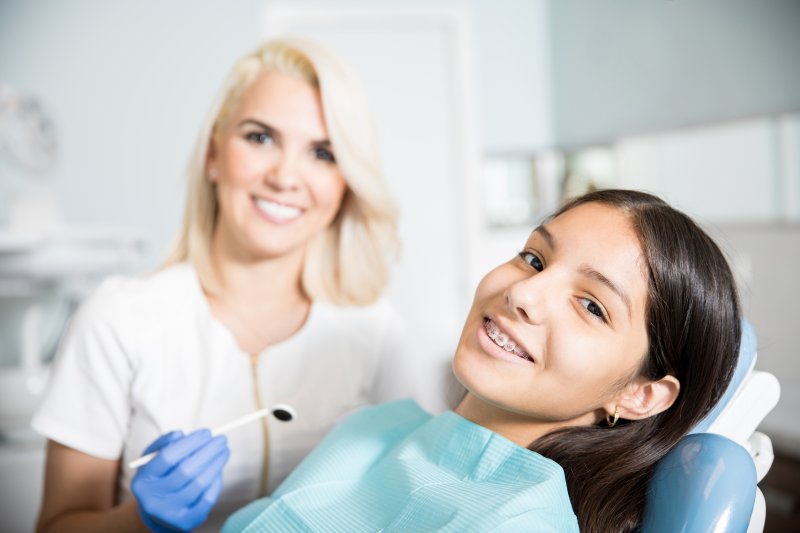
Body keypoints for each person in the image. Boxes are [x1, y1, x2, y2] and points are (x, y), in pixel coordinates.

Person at [33, 38, 420, 532]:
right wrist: (138, 520)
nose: (285, 176)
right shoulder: (117, 320)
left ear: (345, 184)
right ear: (214, 153)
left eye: (322, 152)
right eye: (260, 138)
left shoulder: (374, 329)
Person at [222, 189, 742, 533]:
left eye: (591, 306)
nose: (525, 293)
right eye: (535, 258)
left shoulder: (521, 521)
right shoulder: (378, 426)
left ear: (639, 394)